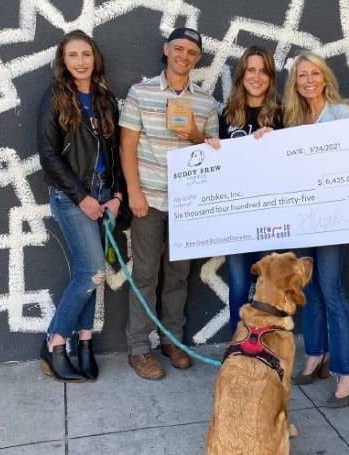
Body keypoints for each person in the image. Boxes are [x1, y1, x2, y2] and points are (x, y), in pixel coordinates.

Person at [119, 27, 218, 380]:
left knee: (178, 277)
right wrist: (134, 192)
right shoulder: (141, 92)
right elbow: (127, 146)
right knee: (145, 274)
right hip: (149, 200)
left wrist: (197, 135)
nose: (184, 56)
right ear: (166, 50)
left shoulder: (206, 102)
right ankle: (139, 349)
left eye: (192, 52)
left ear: (197, 58)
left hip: (187, 206)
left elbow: (214, 153)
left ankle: (171, 340)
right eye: (179, 49)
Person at [37, 29, 124, 382]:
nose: (80, 61)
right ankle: (55, 342)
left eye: (85, 54)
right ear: (64, 60)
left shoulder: (105, 99)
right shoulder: (55, 97)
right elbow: (49, 156)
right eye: (73, 55)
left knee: (92, 274)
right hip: (71, 195)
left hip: (104, 194)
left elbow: (116, 153)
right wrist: (82, 197)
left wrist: (117, 196)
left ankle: (85, 342)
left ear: (95, 58)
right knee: (91, 271)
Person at [283, 51, 349, 408]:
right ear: (295, 83)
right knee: (309, 288)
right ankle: (316, 354)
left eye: (314, 73)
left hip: (332, 219)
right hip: (303, 217)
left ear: (325, 77)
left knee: (331, 290)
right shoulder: (294, 118)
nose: (309, 80)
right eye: (302, 75)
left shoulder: (341, 113)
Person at [205, 45, 283, 334]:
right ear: (242, 75)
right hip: (235, 215)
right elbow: (219, 167)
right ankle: (239, 344)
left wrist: (277, 140)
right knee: (238, 283)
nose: (257, 76)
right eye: (251, 69)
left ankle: (264, 341)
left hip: (268, 215)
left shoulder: (280, 114)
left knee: (266, 282)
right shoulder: (228, 114)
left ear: (271, 77)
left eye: (263, 71)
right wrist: (212, 148)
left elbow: (291, 166)